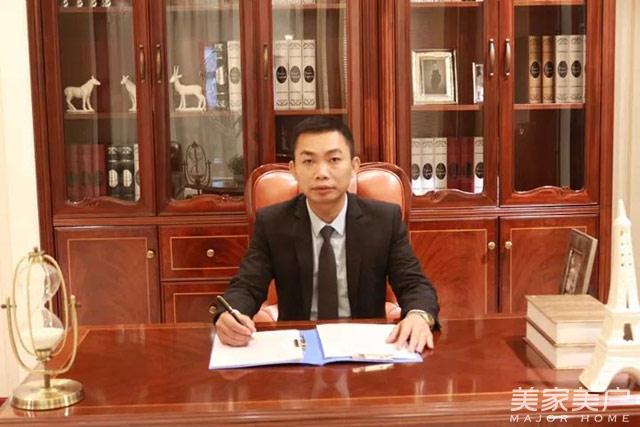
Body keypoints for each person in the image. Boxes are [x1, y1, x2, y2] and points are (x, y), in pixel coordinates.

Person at [213, 117, 439, 352]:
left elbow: (414, 284)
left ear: (354, 166)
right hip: (299, 349)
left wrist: (419, 315)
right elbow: (247, 286)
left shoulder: (384, 220)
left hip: (365, 350)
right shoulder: (273, 223)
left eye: (334, 160)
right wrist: (230, 315)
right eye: (308, 161)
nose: (321, 173)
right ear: (293, 170)